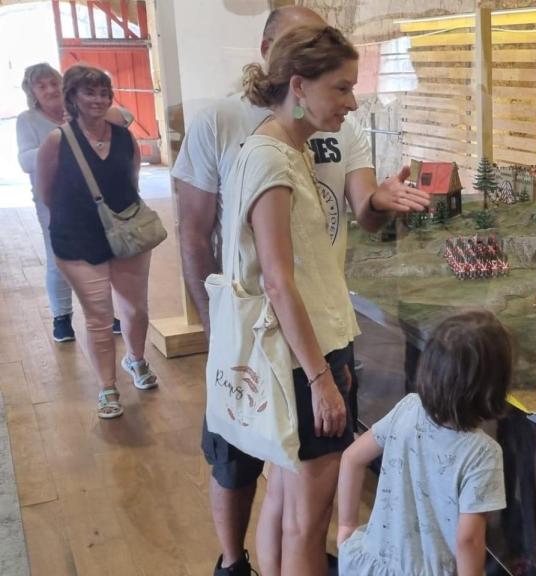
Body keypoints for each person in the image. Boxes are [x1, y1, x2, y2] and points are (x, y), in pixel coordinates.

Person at [173, 9, 429, 575]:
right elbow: (279, 282)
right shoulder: (272, 160)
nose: (351, 103)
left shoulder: (278, 149)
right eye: (341, 87)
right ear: (298, 87)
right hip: (307, 355)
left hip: (303, 348)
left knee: (289, 508)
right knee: (307, 526)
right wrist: (321, 381)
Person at [336, 310, 510, 576]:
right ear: (494, 384)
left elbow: (352, 457)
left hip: (372, 565)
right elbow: (469, 540)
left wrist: (346, 527)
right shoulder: (483, 453)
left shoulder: (408, 408)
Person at [33, 64, 159, 419]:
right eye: (90, 92)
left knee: (135, 309)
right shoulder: (57, 140)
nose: (98, 100)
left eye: (104, 93)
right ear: (72, 96)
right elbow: (46, 191)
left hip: (127, 232)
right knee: (98, 317)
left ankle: (135, 360)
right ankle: (107, 386)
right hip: (77, 238)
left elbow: (132, 179)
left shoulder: (123, 136)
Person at [17, 63, 131, 342]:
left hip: (95, 197)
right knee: (59, 258)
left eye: (53, 83)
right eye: (42, 86)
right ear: (32, 92)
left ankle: (105, 313)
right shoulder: (28, 120)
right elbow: (25, 160)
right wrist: (59, 141)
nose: (50, 89)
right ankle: (61, 317)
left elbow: (125, 117)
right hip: (54, 200)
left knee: (101, 256)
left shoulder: (82, 110)